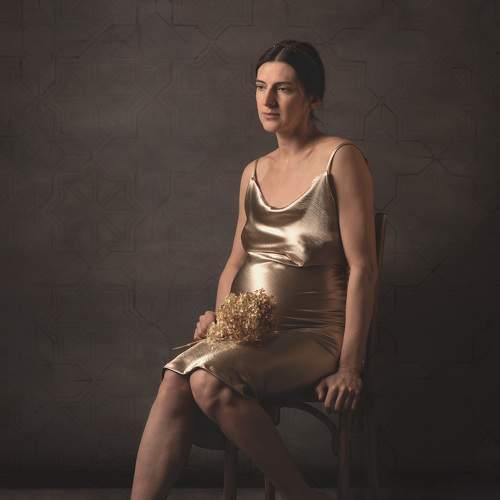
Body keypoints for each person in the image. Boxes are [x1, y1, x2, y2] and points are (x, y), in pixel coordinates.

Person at [130, 39, 378, 500]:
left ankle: (299, 495)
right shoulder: (253, 171)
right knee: (177, 377)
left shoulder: (340, 158)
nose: (268, 100)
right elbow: (236, 262)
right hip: (252, 337)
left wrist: (350, 366)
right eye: (261, 87)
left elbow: (363, 268)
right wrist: (221, 325)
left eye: (283, 89)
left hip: (314, 336)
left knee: (206, 379)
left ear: (313, 97)